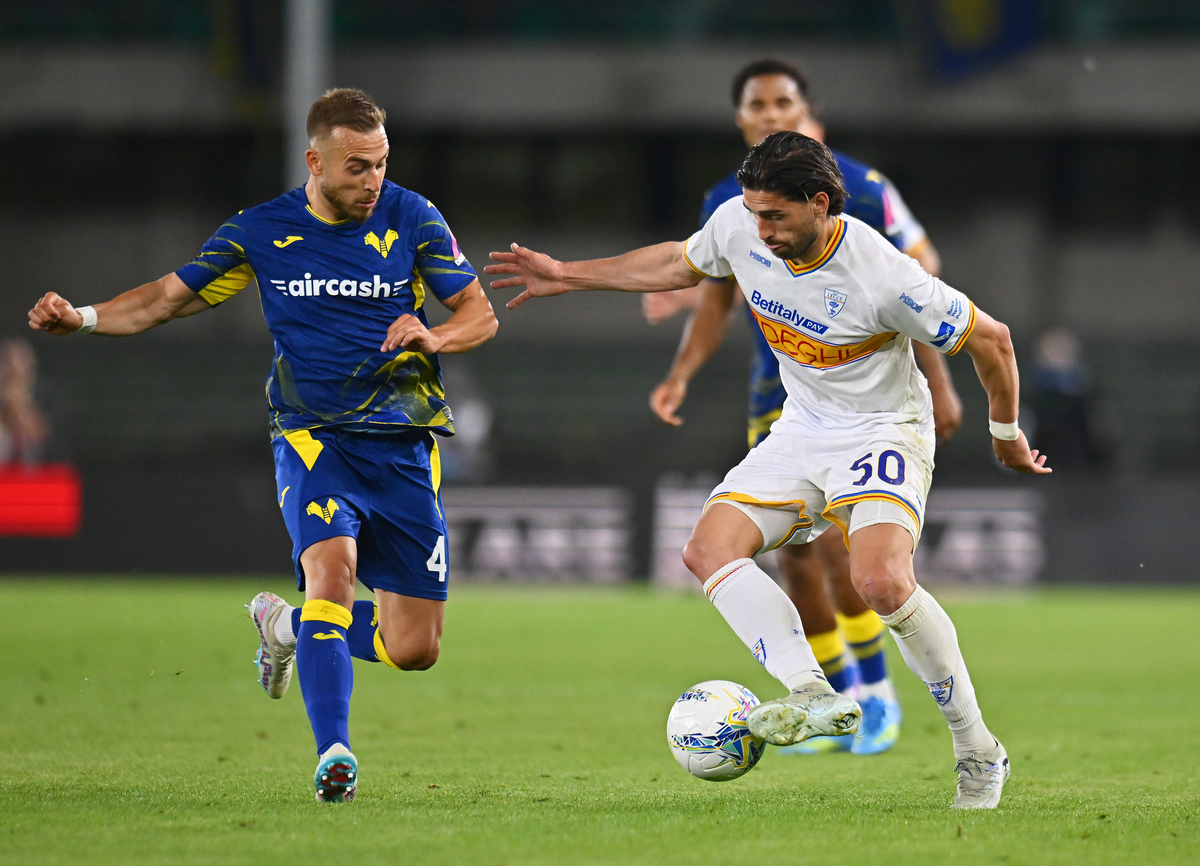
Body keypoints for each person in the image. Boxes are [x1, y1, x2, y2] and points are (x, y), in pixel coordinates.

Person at [487, 131, 1050, 809]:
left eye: (775, 215)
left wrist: (1006, 433)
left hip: (883, 430)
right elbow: (678, 263)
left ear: (821, 205)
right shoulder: (739, 224)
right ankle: (810, 689)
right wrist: (567, 274)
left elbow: (993, 339)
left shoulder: (881, 272)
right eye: (753, 212)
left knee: (878, 579)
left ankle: (978, 751)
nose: (759, 228)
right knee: (706, 549)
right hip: (803, 428)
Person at [27, 87, 499, 803]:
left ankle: (283, 626)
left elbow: (479, 313)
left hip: (404, 444)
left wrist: (436, 334)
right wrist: (85, 317)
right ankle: (334, 751)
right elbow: (166, 297)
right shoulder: (261, 232)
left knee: (414, 648)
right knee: (332, 577)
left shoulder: (414, 216)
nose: (372, 180)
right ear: (314, 160)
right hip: (314, 438)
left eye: (379, 164)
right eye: (355, 167)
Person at [646, 58, 963, 756]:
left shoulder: (865, 189)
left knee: (847, 552)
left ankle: (874, 691)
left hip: (867, 396)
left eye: (781, 100)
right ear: (740, 119)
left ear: (808, 110)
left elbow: (919, 283)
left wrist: (939, 385)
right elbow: (718, 295)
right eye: (756, 104)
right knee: (794, 560)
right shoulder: (729, 205)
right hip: (785, 394)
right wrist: (682, 372)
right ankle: (824, 694)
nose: (769, 113)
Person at [0, 338, 50, 466]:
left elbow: (40, 435)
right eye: (8, 362)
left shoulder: (43, 393)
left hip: (32, 471)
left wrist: (18, 405)